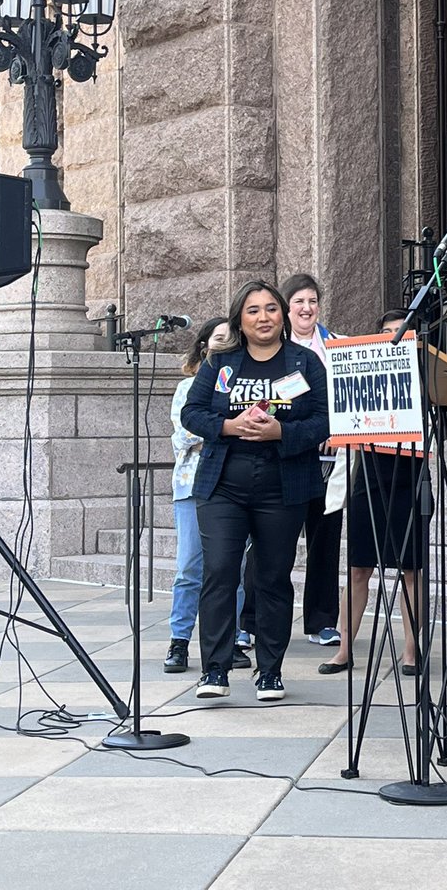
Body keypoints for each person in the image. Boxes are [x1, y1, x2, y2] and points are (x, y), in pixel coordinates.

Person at [183, 280, 329, 701]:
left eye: (270, 309)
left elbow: (325, 420)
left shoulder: (304, 363)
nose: (263, 317)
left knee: (272, 578)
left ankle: (270, 671)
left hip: (283, 489)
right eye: (253, 311)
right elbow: (193, 412)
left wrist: (281, 431)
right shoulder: (220, 363)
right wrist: (228, 426)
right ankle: (215, 669)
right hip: (222, 487)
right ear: (239, 320)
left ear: (282, 315)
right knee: (220, 572)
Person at [319, 310, 423, 677]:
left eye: (401, 332)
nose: (394, 338)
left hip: (411, 471)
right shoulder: (366, 368)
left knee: (411, 568)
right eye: (387, 332)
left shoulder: (424, 378)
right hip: (369, 469)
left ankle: (412, 651)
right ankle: (344, 650)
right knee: (358, 565)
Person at [163, 316, 253, 674]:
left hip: (232, 485)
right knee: (190, 567)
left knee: (232, 567)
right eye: (218, 338)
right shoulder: (188, 388)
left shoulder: (243, 384)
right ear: (204, 345)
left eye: (231, 339)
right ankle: (179, 641)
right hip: (191, 486)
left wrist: (218, 427)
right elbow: (185, 433)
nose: (224, 344)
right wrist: (229, 427)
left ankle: (228, 642)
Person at [281, 273, 343, 646]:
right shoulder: (273, 350)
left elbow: (348, 399)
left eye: (312, 301)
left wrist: (338, 434)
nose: (307, 308)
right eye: (299, 302)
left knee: (325, 543)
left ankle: (322, 620)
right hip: (286, 457)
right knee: (273, 544)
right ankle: (253, 622)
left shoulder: (337, 345)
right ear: (286, 309)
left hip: (328, 463)